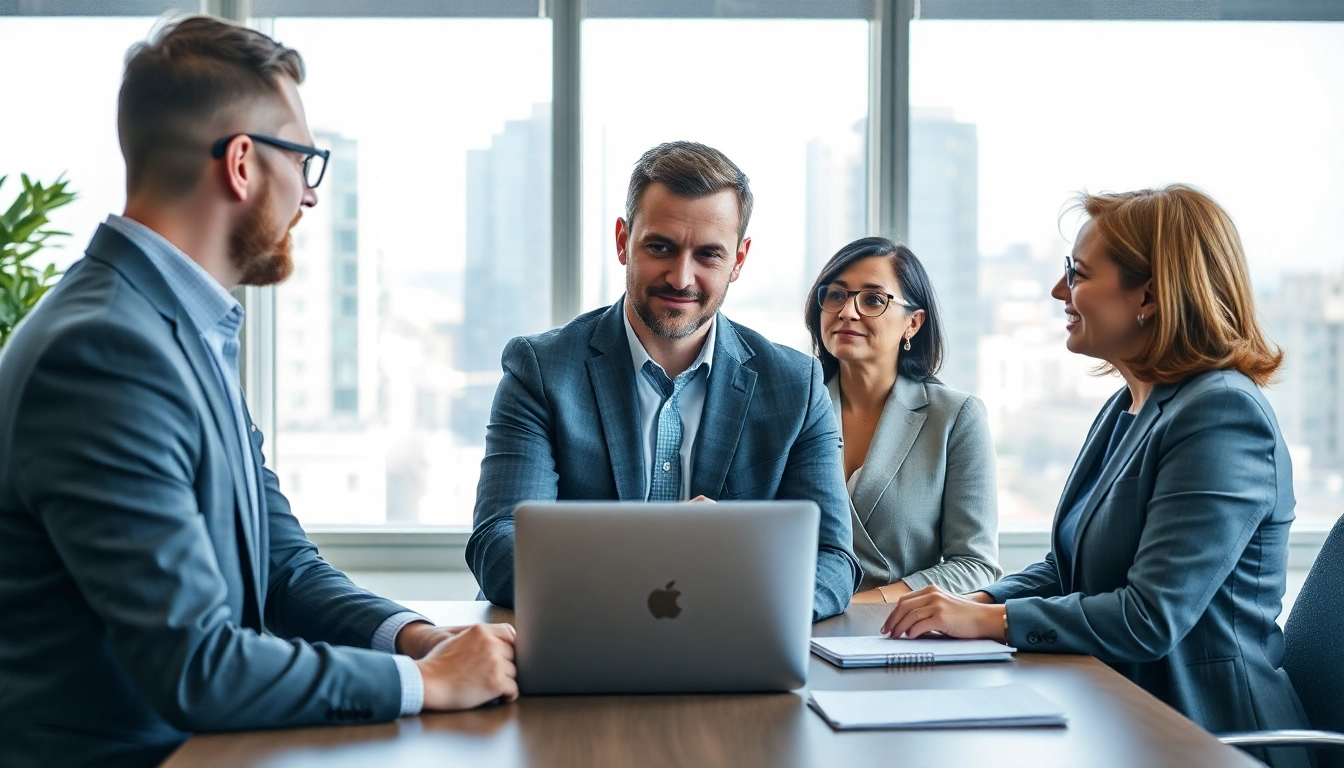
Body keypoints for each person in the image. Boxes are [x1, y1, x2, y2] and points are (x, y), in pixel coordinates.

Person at [0, 17, 516, 768]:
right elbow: (196, 666)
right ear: (242, 164)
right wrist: (421, 683)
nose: (308, 196)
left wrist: (418, 639)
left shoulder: (176, 327)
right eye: (303, 160)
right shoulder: (104, 352)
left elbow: (280, 565)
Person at [879, 185, 1309, 767]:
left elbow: (1149, 617)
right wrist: (969, 601)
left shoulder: (1222, 415)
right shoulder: (1128, 405)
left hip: (1209, 735)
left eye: (1077, 274)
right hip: (1120, 711)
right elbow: (1067, 569)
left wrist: (987, 620)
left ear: (1150, 297)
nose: (1060, 291)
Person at [467, 141, 861, 621]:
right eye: (660, 247)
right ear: (622, 241)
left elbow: (835, 562)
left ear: (738, 261)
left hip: (732, 648)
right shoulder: (541, 370)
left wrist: (732, 580)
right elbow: (497, 545)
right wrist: (653, 555)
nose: (681, 277)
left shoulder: (796, 387)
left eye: (709, 255)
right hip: (578, 646)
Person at [805, 237, 1000, 603]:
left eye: (874, 300)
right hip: (795, 626)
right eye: (835, 295)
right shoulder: (793, 407)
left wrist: (862, 603)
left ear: (913, 323)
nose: (847, 311)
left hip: (897, 631)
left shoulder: (956, 417)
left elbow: (975, 565)